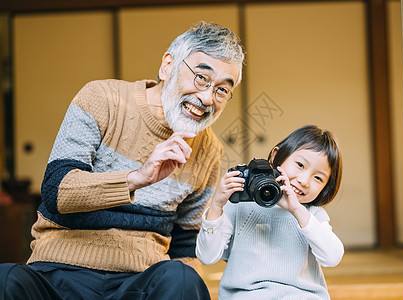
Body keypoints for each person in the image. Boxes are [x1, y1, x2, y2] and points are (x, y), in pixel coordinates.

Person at [0, 21, 244, 300]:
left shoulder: (208, 148)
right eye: (201, 78)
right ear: (167, 66)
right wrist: (137, 178)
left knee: (183, 278)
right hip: (58, 273)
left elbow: (186, 242)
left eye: (222, 90)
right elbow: (57, 192)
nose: (207, 97)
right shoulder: (102, 98)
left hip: (139, 282)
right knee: (5, 279)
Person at [196, 125, 344, 300]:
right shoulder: (240, 206)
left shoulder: (312, 215)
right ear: (275, 156)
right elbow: (207, 256)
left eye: (318, 178)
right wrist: (217, 206)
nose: (304, 181)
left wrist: (297, 210)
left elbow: (332, 258)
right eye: (300, 165)